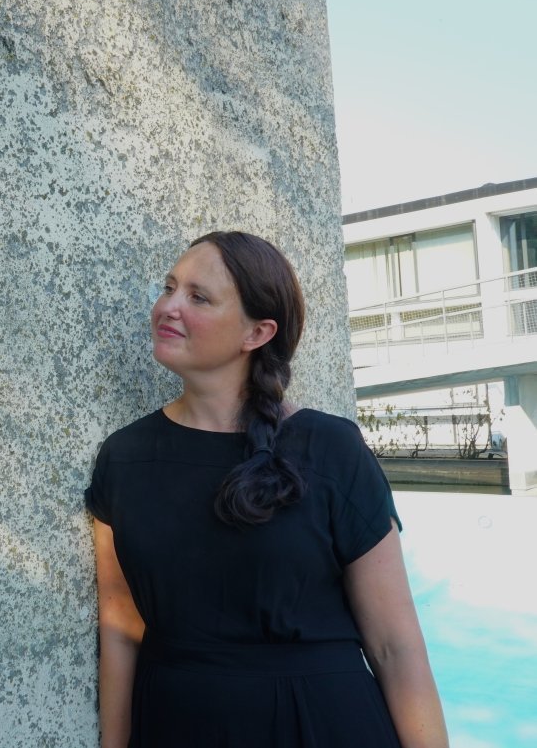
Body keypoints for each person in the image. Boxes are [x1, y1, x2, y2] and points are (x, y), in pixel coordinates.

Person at [87, 231, 448, 747]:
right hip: (177, 724)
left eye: (198, 297)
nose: (168, 306)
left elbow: (395, 645)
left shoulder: (332, 448)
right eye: (168, 287)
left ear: (257, 332)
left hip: (322, 726)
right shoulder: (123, 457)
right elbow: (121, 628)